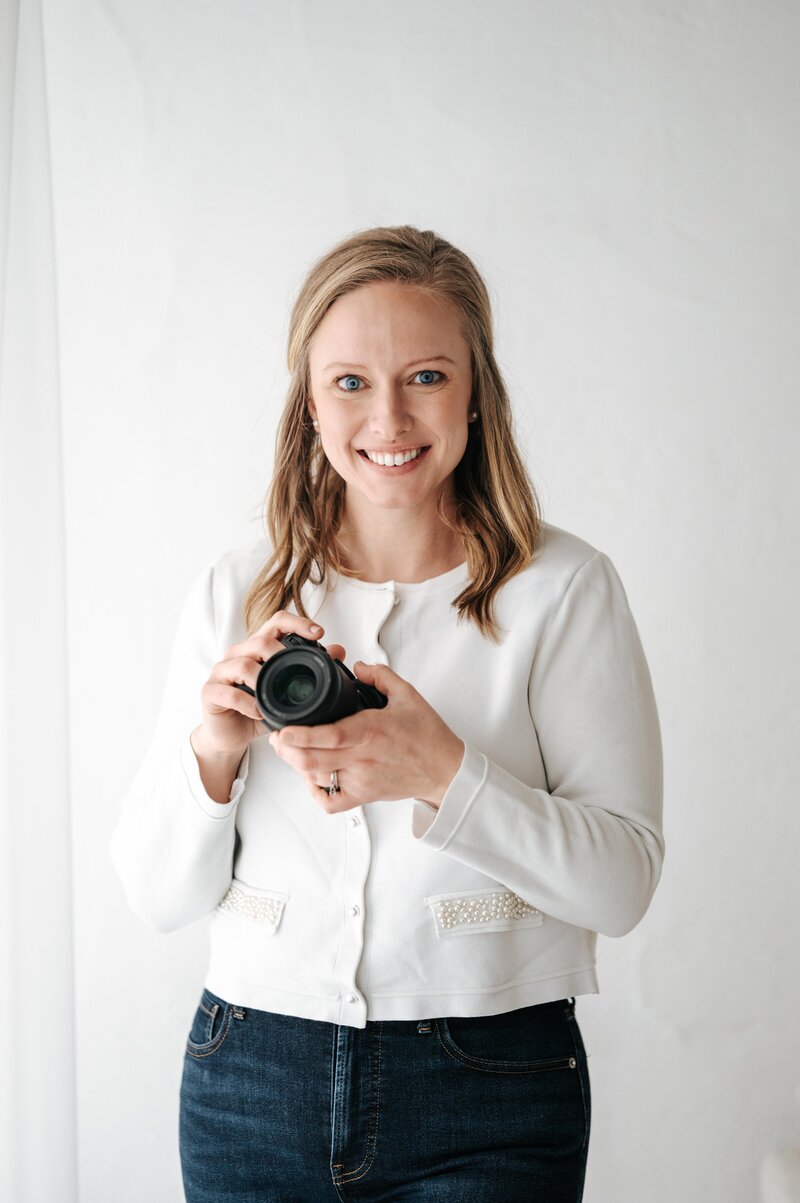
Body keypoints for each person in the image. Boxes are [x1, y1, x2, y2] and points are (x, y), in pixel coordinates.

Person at [110, 224, 664, 1202]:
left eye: (426, 376)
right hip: (250, 1074)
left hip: (489, 1085)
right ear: (309, 404)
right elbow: (158, 898)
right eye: (350, 383)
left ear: (476, 393)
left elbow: (620, 886)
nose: (389, 417)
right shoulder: (236, 594)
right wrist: (214, 749)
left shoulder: (562, 591)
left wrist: (443, 773)